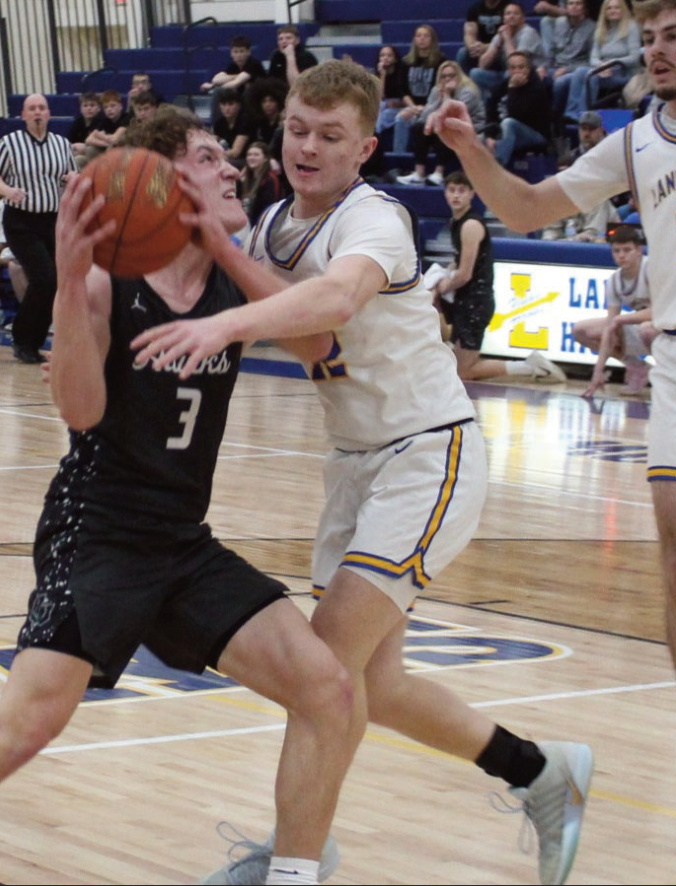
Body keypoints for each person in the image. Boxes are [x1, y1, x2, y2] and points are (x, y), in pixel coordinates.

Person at [132, 59, 594, 886]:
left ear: (365, 147)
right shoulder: (273, 221)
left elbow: (334, 305)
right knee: (372, 687)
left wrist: (228, 323)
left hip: (427, 453)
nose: (308, 146)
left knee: (324, 668)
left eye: (330, 136)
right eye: (298, 130)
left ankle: (291, 866)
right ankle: (538, 772)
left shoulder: (372, 217)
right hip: (352, 467)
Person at [0, 102, 354, 886]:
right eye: (207, 158)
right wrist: (64, 284)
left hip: (182, 542)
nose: (231, 167)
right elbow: (80, 411)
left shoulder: (236, 275)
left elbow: (316, 346)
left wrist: (223, 246)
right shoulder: (106, 279)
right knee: (25, 729)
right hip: (99, 535)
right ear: (158, 182)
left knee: (326, 688)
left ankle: (290, 877)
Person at [427, 0, 676, 842]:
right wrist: (470, 147)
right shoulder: (636, 141)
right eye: (646, 38)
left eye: (672, 35)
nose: (655, 51)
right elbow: (530, 208)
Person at [430, 170, 567, 383]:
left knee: (464, 371)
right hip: (468, 301)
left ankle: (528, 366)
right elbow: (459, 262)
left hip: (475, 302)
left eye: (461, 190)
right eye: (451, 190)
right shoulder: (458, 222)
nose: (456, 195)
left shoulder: (470, 225)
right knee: (459, 364)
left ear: (472, 193)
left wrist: (440, 287)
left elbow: (465, 274)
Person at [0, 93, 75, 364]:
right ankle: (22, 338)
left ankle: (33, 341)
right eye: (32, 108)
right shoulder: (9, 144)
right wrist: (7, 189)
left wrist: (72, 178)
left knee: (54, 283)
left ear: (49, 113)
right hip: (21, 221)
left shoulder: (62, 144)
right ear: (23, 115)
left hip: (52, 220)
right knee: (44, 278)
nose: (37, 112)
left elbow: (71, 176)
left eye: (42, 108)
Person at [573, 224, 658, 396]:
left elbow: (662, 312)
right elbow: (609, 327)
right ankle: (636, 367)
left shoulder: (651, 269)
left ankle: (669, 378)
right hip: (642, 328)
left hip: (670, 331)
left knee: (647, 328)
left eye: (627, 250)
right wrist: (598, 371)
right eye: (616, 251)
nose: (621, 255)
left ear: (639, 250)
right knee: (581, 330)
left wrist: (622, 320)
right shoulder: (614, 281)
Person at [396, 60, 486, 186]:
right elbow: (424, 116)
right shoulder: (436, 91)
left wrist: (447, 96)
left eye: (452, 75)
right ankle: (419, 173)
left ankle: (439, 172)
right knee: (419, 127)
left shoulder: (468, 92)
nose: (448, 79)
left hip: (470, 130)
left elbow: (453, 114)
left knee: (445, 125)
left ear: (459, 76)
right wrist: (440, 98)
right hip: (445, 127)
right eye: (444, 76)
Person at [564, 0, 644, 119]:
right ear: (604, 12)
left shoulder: (631, 27)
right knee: (580, 71)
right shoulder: (601, 28)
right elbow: (593, 57)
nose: (612, 11)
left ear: (623, 10)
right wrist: (601, 66)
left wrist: (608, 65)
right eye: (609, 8)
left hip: (622, 72)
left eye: (616, 8)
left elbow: (634, 57)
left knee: (591, 76)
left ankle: (583, 114)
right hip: (602, 70)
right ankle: (570, 112)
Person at [484, 50, 554, 167]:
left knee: (508, 123)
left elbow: (515, 113)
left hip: (535, 135)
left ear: (529, 68)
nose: (517, 71)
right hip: (507, 134)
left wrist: (513, 89)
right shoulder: (505, 84)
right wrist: (489, 136)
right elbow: (491, 108)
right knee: (478, 139)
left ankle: (498, 169)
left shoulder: (537, 87)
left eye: (521, 67)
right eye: (513, 68)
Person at [470, 2, 546, 103]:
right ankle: (485, 108)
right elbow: (482, 64)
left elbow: (516, 62)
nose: (511, 16)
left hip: (529, 76)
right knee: (475, 73)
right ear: (503, 18)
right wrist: (497, 43)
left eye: (515, 14)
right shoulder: (502, 33)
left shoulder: (528, 33)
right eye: (508, 14)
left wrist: (507, 38)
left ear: (523, 18)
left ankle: (506, 105)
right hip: (505, 75)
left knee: (510, 73)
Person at [392, 24, 447, 154]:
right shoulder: (406, 62)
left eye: (426, 36)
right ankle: (399, 160)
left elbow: (441, 89)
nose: (422, 39)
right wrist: (413, 107)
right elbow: (402, 90)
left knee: (424, 120)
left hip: (433, 107)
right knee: (400, 118)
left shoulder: (440, 61)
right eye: (418, 36)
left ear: (432, 40)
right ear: (414, 40)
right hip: (412, 107)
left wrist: (426, 108)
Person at [541, 0, 597, 119]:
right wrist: (544, 67)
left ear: (584, 8)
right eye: (571, 4)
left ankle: (555, 116)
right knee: (535, 77)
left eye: (578, 4)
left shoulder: (592, 27)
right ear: (566, 7)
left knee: (560, 83)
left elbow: (590, 60)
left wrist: (566, 69)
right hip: (555, 66)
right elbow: (552, 49)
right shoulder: (560, 23)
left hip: (575, 69)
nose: (574, 7)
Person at [200, 35, 267, 100]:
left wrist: (212, 87)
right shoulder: (233, 65)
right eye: (235, 52)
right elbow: (216, 79)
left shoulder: (253, 64)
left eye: (242, 51)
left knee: (219, 92)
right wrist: (237, 75)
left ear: (248, 52)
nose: (239, 55)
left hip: (260, 97)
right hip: (242, 96)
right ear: (231, 54)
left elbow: (235, 83)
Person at [241, 140, 288, 228]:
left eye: (256, 155)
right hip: (245, 224)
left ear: (266, 158)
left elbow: (267, 208)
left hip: (259, 226)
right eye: (249, 154)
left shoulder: (269, 180)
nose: (251, 157)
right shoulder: (246, 179)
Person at [457, 0, 506, 74]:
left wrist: (487, 47)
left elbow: (511, 36)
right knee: (463, 53)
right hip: (481, 49)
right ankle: (466, 82)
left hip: (502, 48)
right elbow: (469, 34)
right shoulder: (474, 8)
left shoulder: (508, 7)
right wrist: (473, 47)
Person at [267, 24, 318, 89]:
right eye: (280, 39)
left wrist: (290, 57)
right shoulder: (276, 56)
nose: (284, 41)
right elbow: (270, 80)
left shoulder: (307, 57)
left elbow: (298, 85)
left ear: (297, 41)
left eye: (288, 38)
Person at [213, 87, 253, 167]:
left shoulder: (245, 121)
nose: (227, 108)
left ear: (239, 105)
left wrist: (215, 155)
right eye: (223, 104)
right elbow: (213, 142)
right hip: (226, 157)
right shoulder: (219, 123)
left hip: (246, 159)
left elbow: (236, 152)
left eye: (231, 104)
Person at [374, 44, 408, 140]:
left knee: (382, 114)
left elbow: (406, 97)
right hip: (384, 105)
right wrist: (383, 75)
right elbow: (380, 97)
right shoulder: (378, 74)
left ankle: (376, 134)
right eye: (382, 55)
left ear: (395, 58)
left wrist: (396, 104)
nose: (385, 58)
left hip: (399, 106)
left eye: (389, 55)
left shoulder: (402, 74)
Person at [84, 89, 130, 157]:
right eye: (106, 107)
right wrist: (107, 143)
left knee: (111, 149)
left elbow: (115, 139)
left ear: (120, 106)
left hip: (126, 151)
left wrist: (99, 135)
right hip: (108, 147)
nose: (109, 109)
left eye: (112, 106)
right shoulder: (104, 120)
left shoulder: (126, 118)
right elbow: (88, 140)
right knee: (87, 151)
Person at [67, 91, 103, 169]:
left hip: (98, 156)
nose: (89, 108)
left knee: (80, 158)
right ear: (81, 109)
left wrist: (84, 147)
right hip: (80, 154)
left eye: (92, 105)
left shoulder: (102, 121)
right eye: (85, 105)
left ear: (99, 108)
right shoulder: (78, 122)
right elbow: (69, 140)